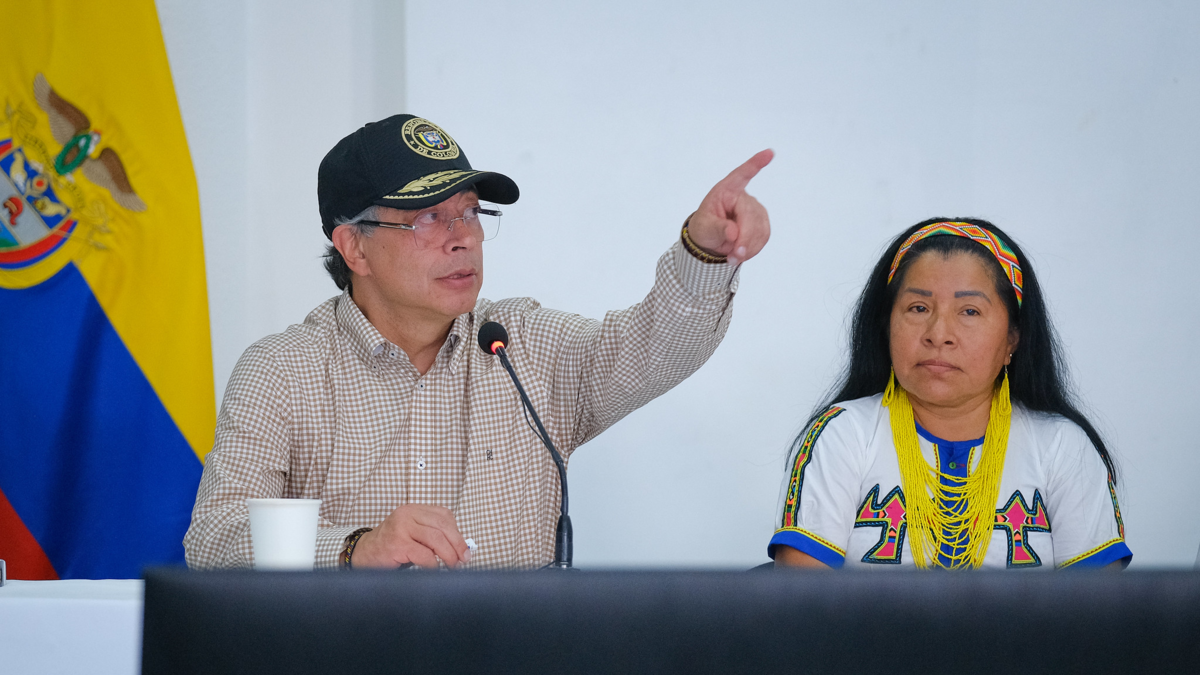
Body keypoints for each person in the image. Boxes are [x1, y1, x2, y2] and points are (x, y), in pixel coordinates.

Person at [185, 114, 772, 570]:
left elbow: (654, 348)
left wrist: (705, 253)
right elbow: (213, 539)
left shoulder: (521, 345)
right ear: (354, 248)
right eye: (427, 218)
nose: (463, 237)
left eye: (469, 212)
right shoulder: (282, 371)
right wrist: (353, 549)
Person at [770, 218, 1131, 569]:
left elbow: (1097, 606)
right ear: (886, 327)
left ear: (1012, 339)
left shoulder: (1063, 446)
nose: (939, 334)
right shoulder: (842, 434)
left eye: (969, 311)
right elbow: (803, 601)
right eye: (918, 308)